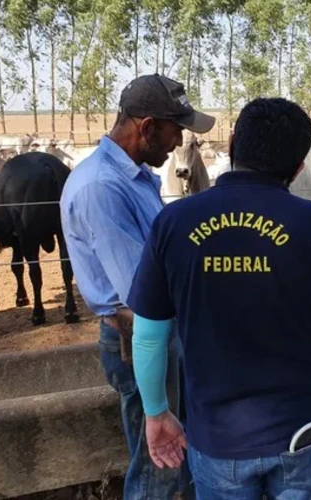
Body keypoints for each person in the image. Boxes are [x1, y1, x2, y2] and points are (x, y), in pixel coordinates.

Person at [125, 97, 311, 499]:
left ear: (230, 148)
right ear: (298, 168)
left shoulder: (172, 223)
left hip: (217, 441)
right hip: (305, 434)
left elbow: (148, 337)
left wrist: (155, 413)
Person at [60, 74, 215, 499]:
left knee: (173, 456)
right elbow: (140, 291)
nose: (178, 139)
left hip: (158, 335)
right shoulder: (103, 188)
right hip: (140, 338)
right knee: (157, 469)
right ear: (147, 127)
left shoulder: (133, 177)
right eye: (174, 129)